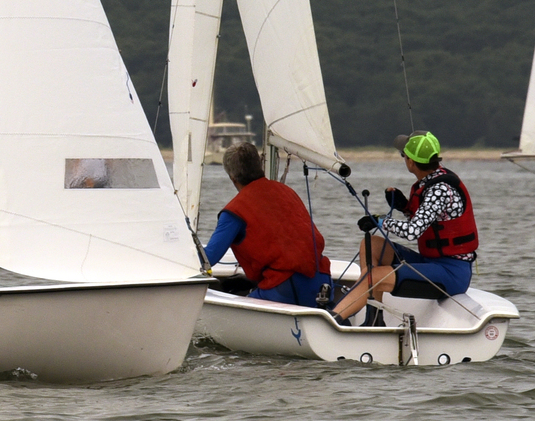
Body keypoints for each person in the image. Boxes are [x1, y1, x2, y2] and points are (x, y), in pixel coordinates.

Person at [330, 130, 479, 325]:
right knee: (372, 244)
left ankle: (332, 320)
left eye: (404, 155)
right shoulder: (432, 180)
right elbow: (429, 224)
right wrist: (405, 207)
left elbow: (412, 231)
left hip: (451, 273)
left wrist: (380, 221)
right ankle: (374, 319)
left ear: (410, 162)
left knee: (374, 275)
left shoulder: (440, 189)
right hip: (431, 263)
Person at [203, 143, 332, 306]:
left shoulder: (234, 212)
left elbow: (208, 259)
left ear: (232, 177)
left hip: (287, 289)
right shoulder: (287, 192)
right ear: (260, 166)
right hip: (322, 281)